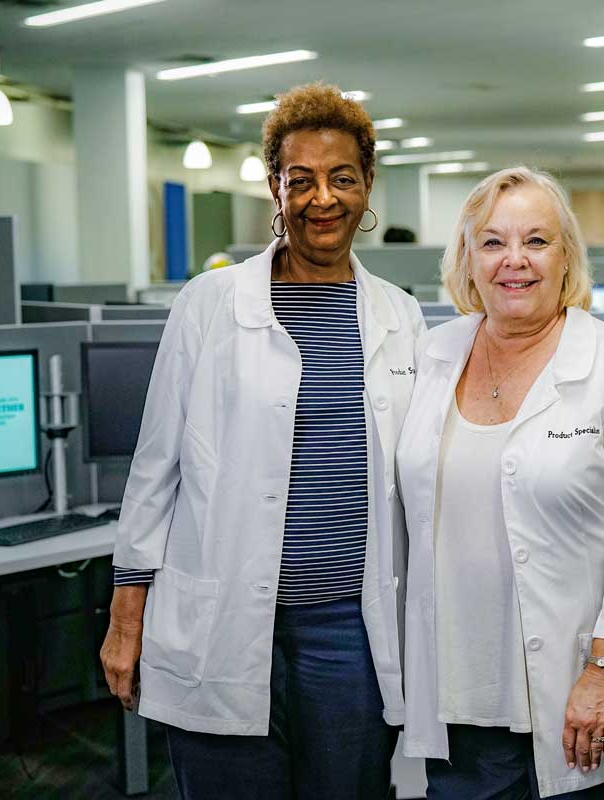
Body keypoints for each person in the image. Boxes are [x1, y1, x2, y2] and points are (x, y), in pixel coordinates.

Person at [98, 83, 426, 798]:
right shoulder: (208, 304)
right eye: (299, 180)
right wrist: (127, 618)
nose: (322, 199)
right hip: (225, 614)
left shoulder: (401, 317)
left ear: (368, 185)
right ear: (274, 188)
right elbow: (155, 470)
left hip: (350, 626)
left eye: (342, 178)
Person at [396, 166, 604, 799]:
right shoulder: (431, 358)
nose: (514, 261)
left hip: (577, 701)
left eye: (537, 241)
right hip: (455, 700)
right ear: (467, 258)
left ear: (567, 255)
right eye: (492, 242)